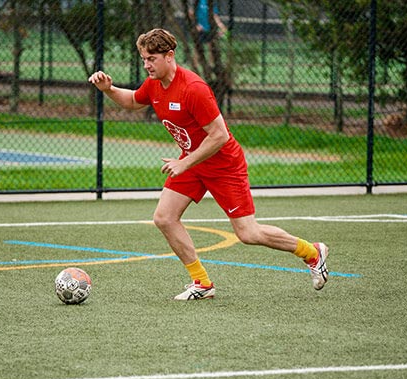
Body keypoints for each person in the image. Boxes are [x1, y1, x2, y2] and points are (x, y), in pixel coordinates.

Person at [88, 28, 329, 300]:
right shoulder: (154, 84)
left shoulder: (193, 89)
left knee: (248, 233)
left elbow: (220, 136)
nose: (146, 65)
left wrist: (184, 162)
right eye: (143, 59)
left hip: (224, 166)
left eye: (151, 58)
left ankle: (312, 252)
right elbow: (132, 101)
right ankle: (202, 283)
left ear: (170, 56)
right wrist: (108, 89)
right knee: (164, 218)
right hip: (193, 164)